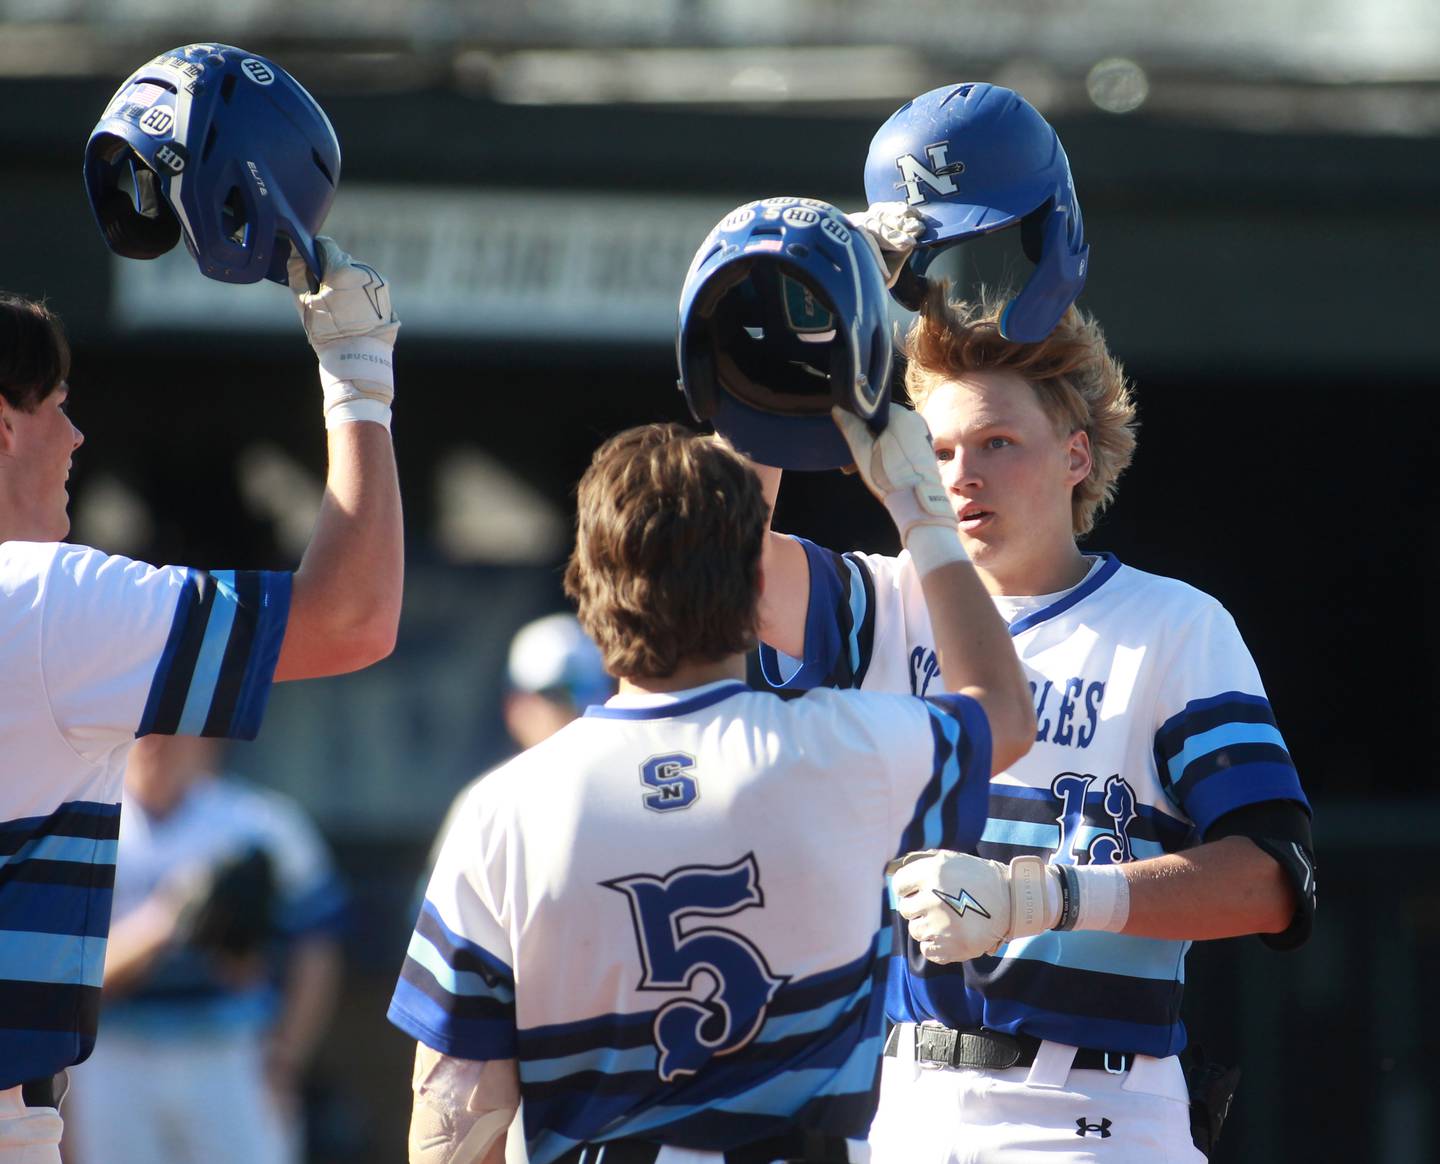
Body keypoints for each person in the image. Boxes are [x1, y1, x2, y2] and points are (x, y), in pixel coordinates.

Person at [752, 283, 1315, 1162]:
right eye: (936, 449)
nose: (961, 475)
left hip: (1102, 1113)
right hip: (904, 1110)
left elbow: (1276, 880)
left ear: (1077, 456)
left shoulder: (1174, 626)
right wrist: (765, 378)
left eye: (999, 443)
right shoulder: (884, 599)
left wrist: (1044, 897)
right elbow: (716, 563)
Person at [387, 411, 1036, 1164]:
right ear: (759, 585)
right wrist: (923, 516)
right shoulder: (839, 747)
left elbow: (455, 1121)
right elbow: (1003, 714)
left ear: (585, 582)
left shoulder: (502, 809)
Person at [0, 235, 402, 1161]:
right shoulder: (43, 597)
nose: (77, 436)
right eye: (57, 406)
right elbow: (352, 618)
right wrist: (357, 373)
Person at [62, 735, 347, 1164]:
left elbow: (318, 947)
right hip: (111, 1053)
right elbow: (64, 979)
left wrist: (286, 1058)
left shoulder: (261, 822)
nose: (156, 740)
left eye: (171, 725)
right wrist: (168, 918)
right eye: (144, 727)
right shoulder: (79, 827)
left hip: (228, 1052)